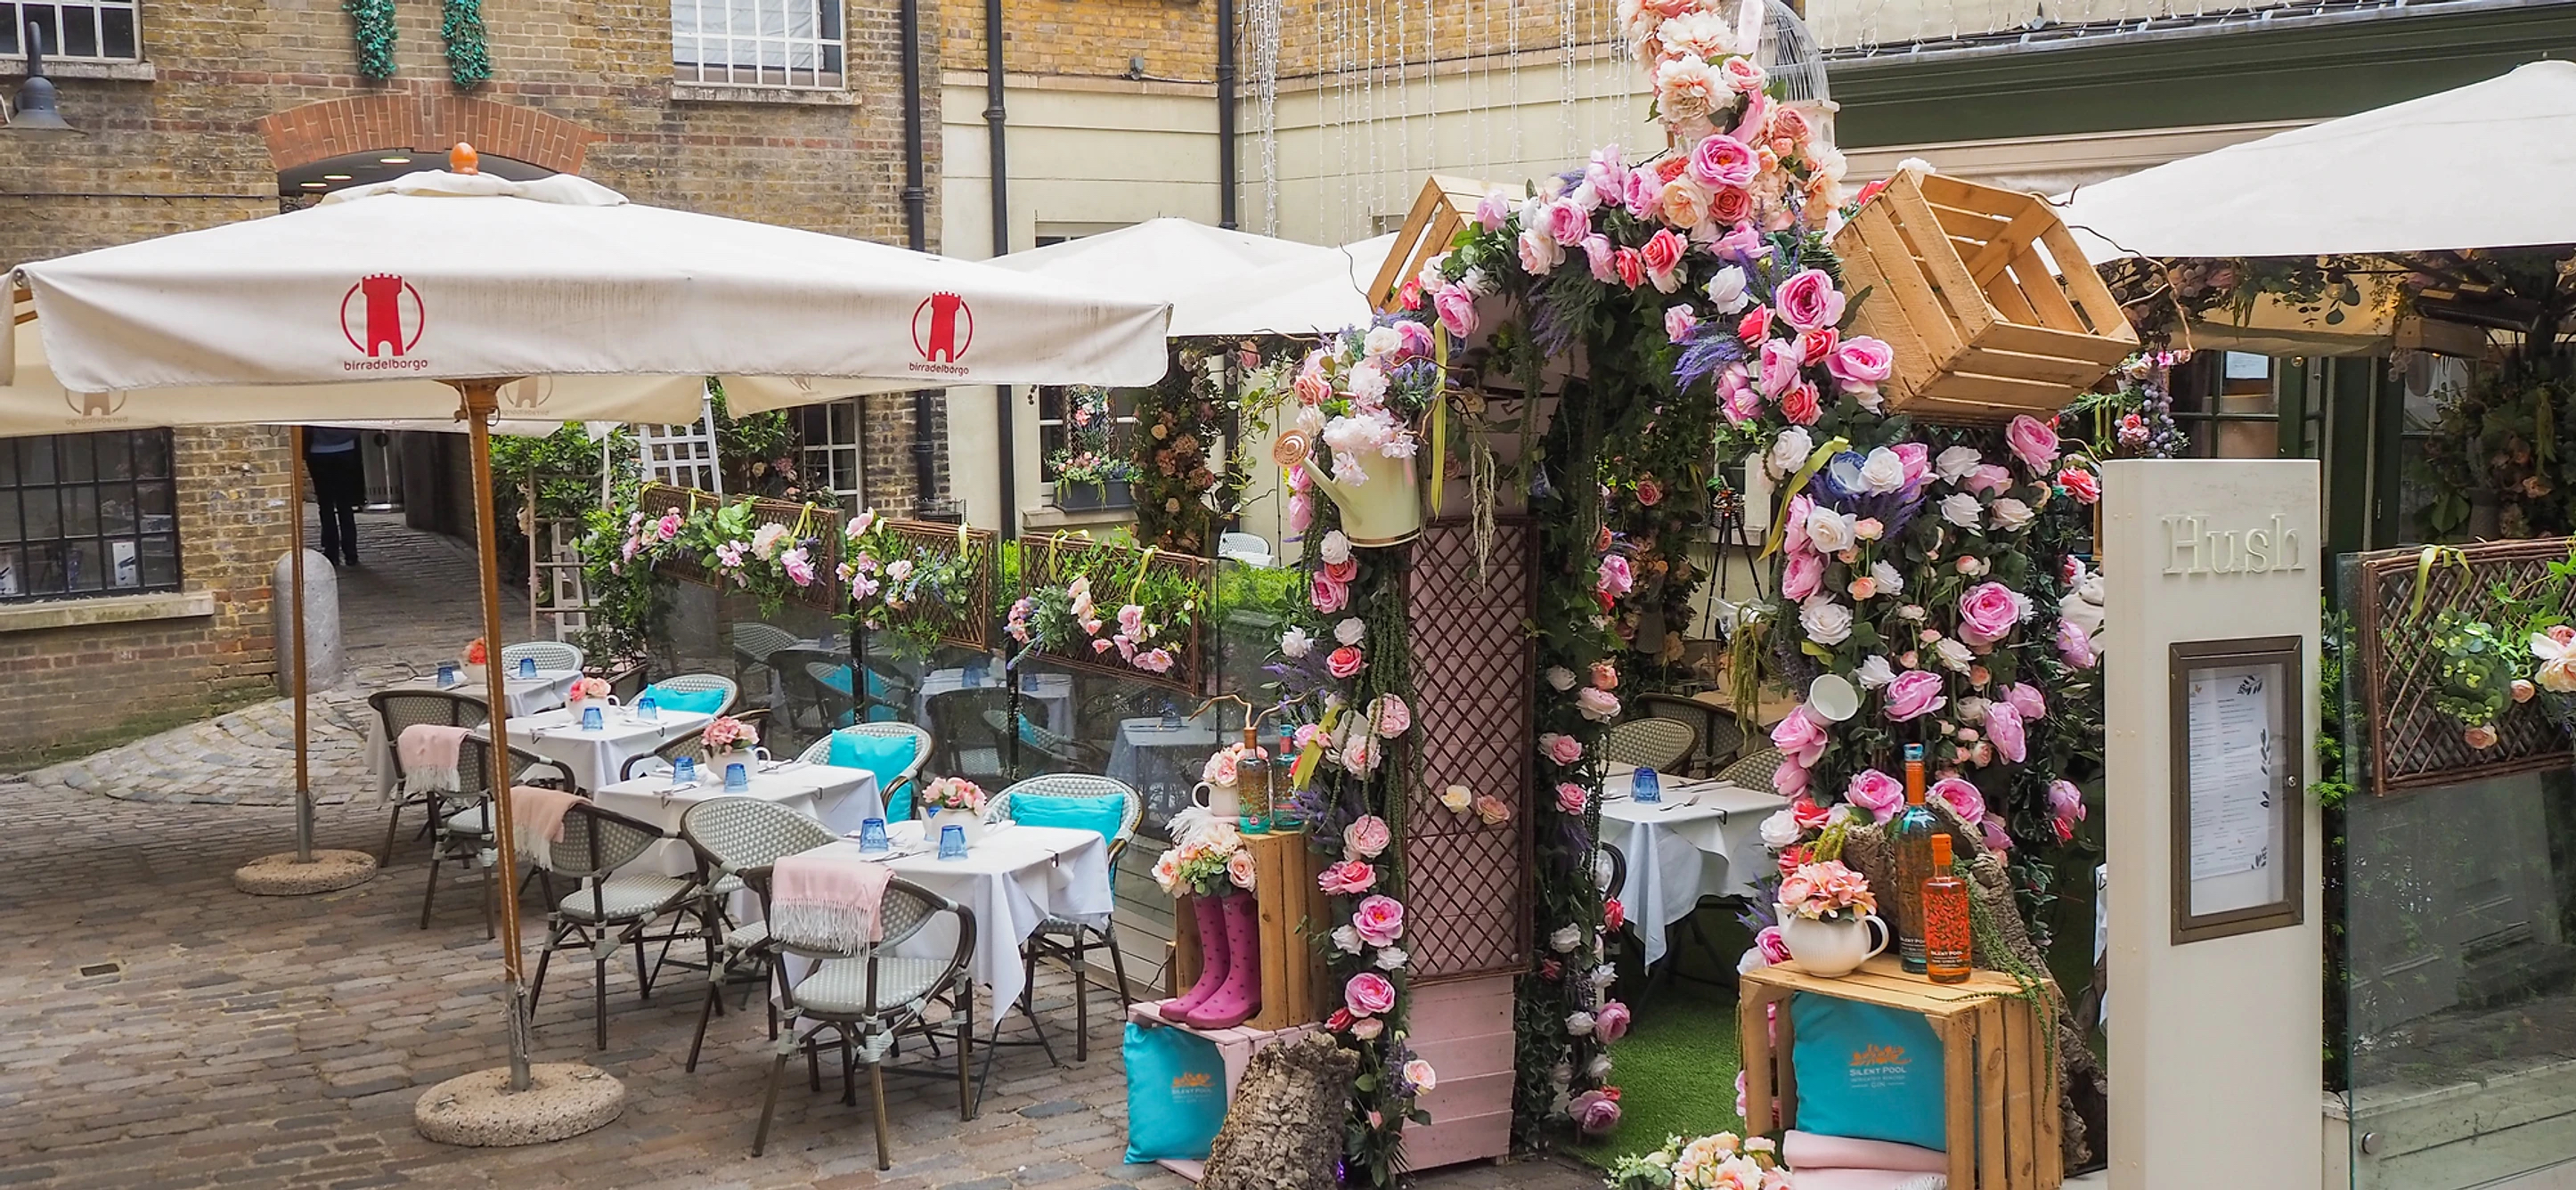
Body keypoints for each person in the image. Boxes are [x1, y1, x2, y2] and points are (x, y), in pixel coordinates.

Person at [304, 428, 364, 566]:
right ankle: (351, 552)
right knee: (345, 504)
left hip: (318, 451)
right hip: (346, 449)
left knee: (326, 505)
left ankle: (332, 552)